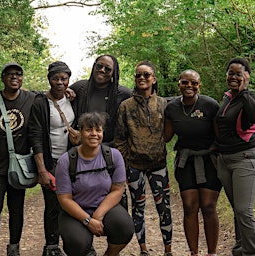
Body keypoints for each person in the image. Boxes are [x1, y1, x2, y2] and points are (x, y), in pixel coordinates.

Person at [114, 60, 173, 256]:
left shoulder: (164, 104)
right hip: (134, 166)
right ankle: (143, 249)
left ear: (153, 79)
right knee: (138, 207)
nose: (142, 78)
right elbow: (120, 138)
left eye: (146, 75)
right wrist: (123, 164)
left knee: (163, 207)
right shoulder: (126, 106)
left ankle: (168, 249)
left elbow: (170, 130)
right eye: (138, 75)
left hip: (158, 164)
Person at [55, 112, 134, 256]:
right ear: (80, 132)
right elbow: (64, 199)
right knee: (77, 243)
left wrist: (98, 215)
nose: (94, 134)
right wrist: (87, 220)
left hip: (104, 207)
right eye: (88, 129)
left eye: (98, 130)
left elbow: (117, 190)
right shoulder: (66, 161)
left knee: (125, 228)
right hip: (75, 212)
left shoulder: (113, 156)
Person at [0, 62, 35, 256]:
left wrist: (69, 90)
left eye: (19, 74)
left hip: (19, 166)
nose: (14, 77)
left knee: (16, 208)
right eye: (9, 74)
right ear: (2, 78)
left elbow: (51, 96)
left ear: (22, 79)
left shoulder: (31, 99)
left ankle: (14, 248)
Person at [163, 70, 222, 256]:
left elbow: (219, 135)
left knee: (208, 206)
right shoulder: (171, 108)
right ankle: (193, 252)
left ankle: (212, 252)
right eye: (185, 82)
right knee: (189, 206)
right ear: (179, 84)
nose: (189, 86)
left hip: (209, 160)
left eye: (194, 83)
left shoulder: (210, 105)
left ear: (199, 85)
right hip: (185, 160)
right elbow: (166, 136)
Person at [213, 58, 255, 256]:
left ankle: (253, 252)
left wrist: (244, 92)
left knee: (244, 210)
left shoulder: (250, 97)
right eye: (230, 73)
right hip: (225, 160)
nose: (233, 77)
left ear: (247, 77)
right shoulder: (227, 98)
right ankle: (240, 249)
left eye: (238, 74)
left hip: (246, 159)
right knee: (238, 210)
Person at [28, 61, 78, 256]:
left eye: (64, 79)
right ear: (49, 80)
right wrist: (42, 170)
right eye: (56, 78)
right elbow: (36, 136)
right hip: (52, 161)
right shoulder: (41, 102)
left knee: (71, 203)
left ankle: (70, 244)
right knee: (53, 204)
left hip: (70, 161)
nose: (60, 82)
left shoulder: (72, 98)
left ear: (68, 81)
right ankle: (51, 246)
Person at [69, 54, 132, 146]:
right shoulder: (80, 88)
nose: (102, 70)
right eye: (99, 66)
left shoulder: (123, 94)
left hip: (110, 149)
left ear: (113, 72)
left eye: (108, 69)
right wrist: (65, 90)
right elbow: (56, 96)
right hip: (81, 146)